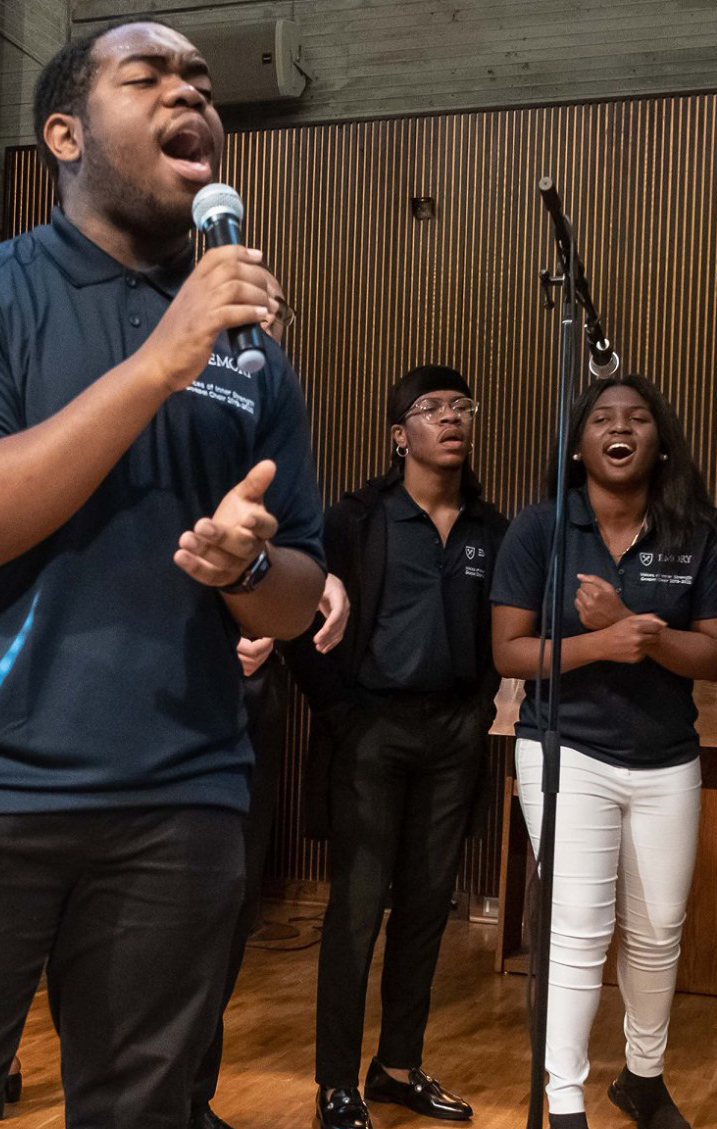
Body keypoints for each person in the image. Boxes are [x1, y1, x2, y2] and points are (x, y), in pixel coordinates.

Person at [0, 19, 325, 1128]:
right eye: (147, 76)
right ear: (64, 133)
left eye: (199, 81)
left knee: (145, 1109)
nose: (187, 95)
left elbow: (297, 595)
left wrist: (246, 564)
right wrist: (162, 361)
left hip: (181, 794)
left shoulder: (253, 348)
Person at [490, 374, 717, 1129]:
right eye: (602, 418)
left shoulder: (698, 530)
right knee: (578, 923)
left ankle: (642, 1076)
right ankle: (563, 1096)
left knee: (660, 924)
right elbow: (507, 651)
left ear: (660, 444)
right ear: (578, 445)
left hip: (668, 757)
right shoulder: (541, 528)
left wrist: (643, 627)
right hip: (567, 749)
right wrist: (603, 640)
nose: (620, 427)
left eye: (637, 418)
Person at [290, 365, 507, 1129]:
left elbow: (500, 635)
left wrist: (479, 710)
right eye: (432, 407)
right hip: (370, 727)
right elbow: (298, 614)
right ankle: (336, 1083)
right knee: (355, 908)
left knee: (425, 907)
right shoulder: (355, 518)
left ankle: (397, 1066)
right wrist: (341, 712)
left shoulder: (492, 529)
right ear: (398, 433)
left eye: (462, 406)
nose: (452, 417)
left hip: (453, 731)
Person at [191, 571, 347, 1129]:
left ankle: (193, 1099)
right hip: (158, 691)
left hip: (252, 702)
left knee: (230, 915)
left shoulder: (273, 483)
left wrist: (304, 596)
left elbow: (293, 563)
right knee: (156, 919)